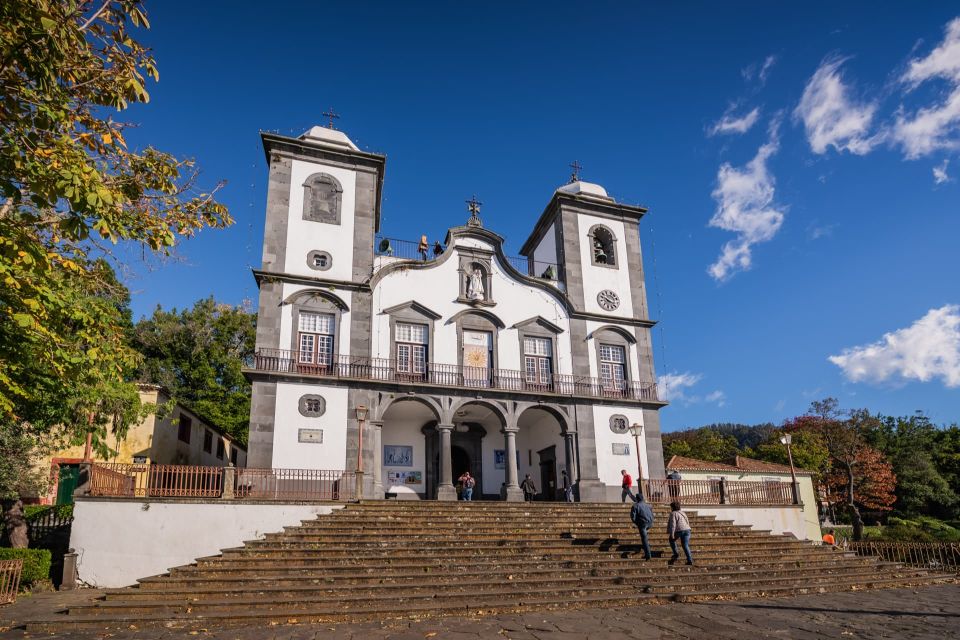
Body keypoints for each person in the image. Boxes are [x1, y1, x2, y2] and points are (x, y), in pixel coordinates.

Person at [667, 501, 693, 565]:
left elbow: (673, 524)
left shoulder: (673, 513)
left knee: (671, 540)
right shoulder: (683, 513)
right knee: (685, 545)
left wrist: (672, 534)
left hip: (679, 530)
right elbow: (687, 520)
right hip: (687, 529)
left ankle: (676, 554)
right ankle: (689, 560)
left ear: (673, 507)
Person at [630, 493, 655, 560]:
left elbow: (633, 517)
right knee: (645, 535)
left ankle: (648, 555)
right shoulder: (649, 506)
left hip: (642, 524)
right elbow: (652, 515)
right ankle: (647, 546)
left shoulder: (635, 506)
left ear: (637, 499)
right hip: (650, 523)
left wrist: (637, 523)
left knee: (644, 539)